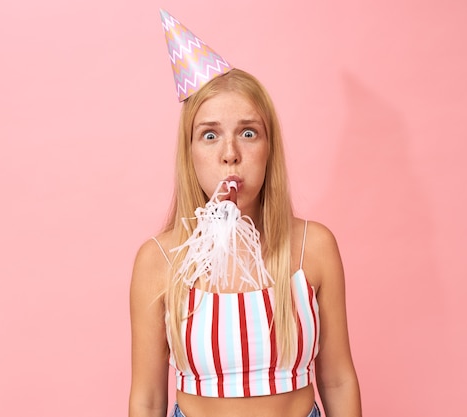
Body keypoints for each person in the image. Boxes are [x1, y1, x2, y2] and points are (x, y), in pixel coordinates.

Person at [129, 10, 361, 417]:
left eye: (248, 132)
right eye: (210, 134)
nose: (230, 153)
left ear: (269, 149)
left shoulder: (314, 247)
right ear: (190, 153)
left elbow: (338, 379)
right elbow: (147, 399)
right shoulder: (158, 261)